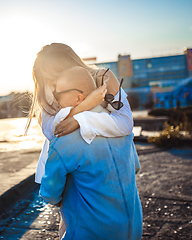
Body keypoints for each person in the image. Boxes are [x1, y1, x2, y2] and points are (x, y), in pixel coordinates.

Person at [40, 66, 143, 239]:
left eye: (58, 95)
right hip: (132, 230)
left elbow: (49, 193)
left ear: (79, 97)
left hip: (90, 232)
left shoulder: (64, 140)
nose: (56, 102)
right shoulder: (119, 129)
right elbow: (135, 168)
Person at [25, 43, 137, 184]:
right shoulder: (49, 90)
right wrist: (85, 105)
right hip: (71, 174)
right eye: (46, 80)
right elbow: (53, 132)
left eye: (53, 77)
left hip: (108, 169)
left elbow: (126, 123)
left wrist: (81, 120)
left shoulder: (103, 78)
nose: (50, 85)